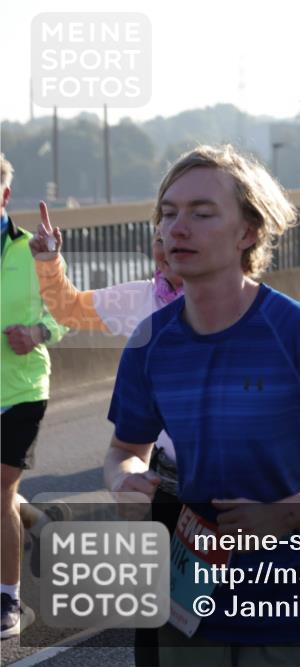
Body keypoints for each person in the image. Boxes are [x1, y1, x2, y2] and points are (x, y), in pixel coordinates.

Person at [104, 145, 300, 666]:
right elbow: (123, 450)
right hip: (190, 602)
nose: (176, 228)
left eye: (202, 213)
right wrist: (125, 480)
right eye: (168, 213)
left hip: (290, 604)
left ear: (247, 232)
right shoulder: (150, 341)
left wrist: (282, 516)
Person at [30, 205, 183, 665]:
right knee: (157, 618)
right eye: (159, 239)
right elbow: (69, 308)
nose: (166, 247)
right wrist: (49, 260)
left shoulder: (245, 311)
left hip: (229, 486)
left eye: (177, 232)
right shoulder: (140, 299)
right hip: (167, 480)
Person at [1, 155, 67, 639]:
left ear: (4, 196)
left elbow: (67, 314)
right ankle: (36, 518)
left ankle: (8, 600)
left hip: (22, 389)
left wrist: (36, 331)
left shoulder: (34, 249)